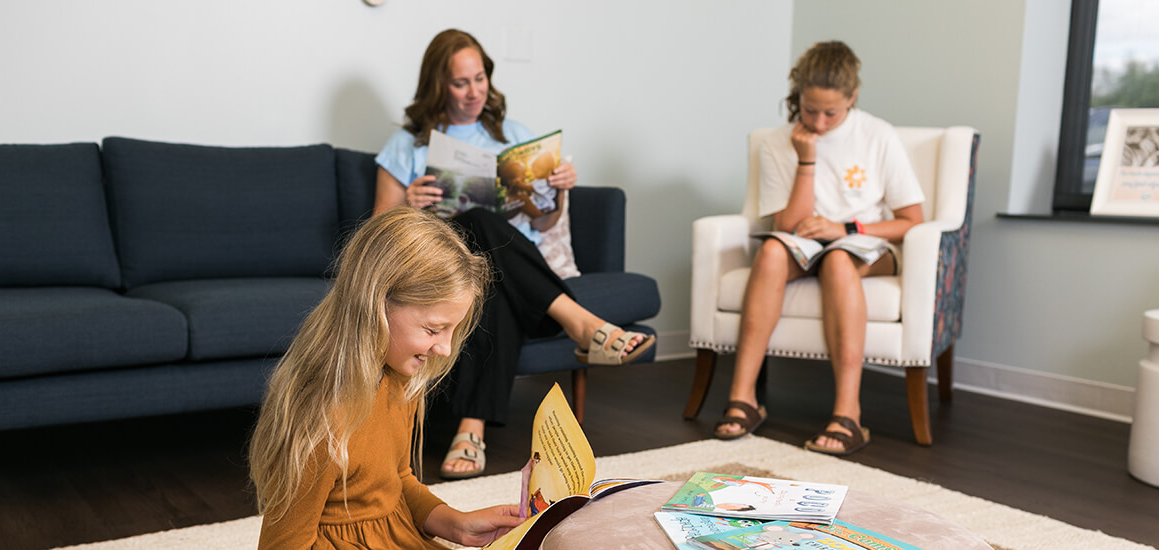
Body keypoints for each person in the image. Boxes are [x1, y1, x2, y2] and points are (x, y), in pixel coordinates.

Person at [374, 29, 655, 480]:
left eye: (480, 78)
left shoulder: (515, 137)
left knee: (489, 273)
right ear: (437, 85)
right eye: (460, 82)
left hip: (504, 268)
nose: (473, 91)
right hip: (436, 264)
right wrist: (408, 202)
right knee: (480, 225)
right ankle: (583, 324)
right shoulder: (408, 144)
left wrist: (558, 194)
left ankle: (472, 429)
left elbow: (542, 224)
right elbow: (377, 233)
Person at [248, 207, 525, 549]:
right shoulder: (321, 418)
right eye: (434, 329)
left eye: (453, 330)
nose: (445, 347)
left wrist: (457, 526)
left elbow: (396, 483)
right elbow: (282, 544)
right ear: (376, 305)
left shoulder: (400, 380)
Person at [713, 41, 925, 456]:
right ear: (798, 98)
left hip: (863, 245)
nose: (820, 121)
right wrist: (805, 159)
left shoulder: (877, 135)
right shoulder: (778, 142)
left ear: (852, 98)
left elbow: (910, 220)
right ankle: (744, 398)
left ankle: (849, 414)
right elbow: (788, 225)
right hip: (802, 243)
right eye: (811, 110)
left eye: (832, 112)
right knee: (773, 250)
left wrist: (844, 227)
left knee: (839, 260)